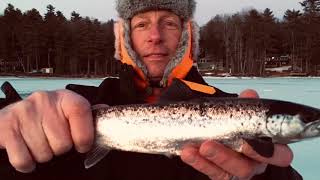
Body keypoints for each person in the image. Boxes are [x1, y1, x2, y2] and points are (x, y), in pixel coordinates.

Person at [0, 0, 302, 179]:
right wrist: (10, 124)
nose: (155, 36)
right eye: (141, 24)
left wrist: (265, 176)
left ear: (188, 37)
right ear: (124, 39)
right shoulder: (78, 107)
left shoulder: (234, 110)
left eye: (168, 23)